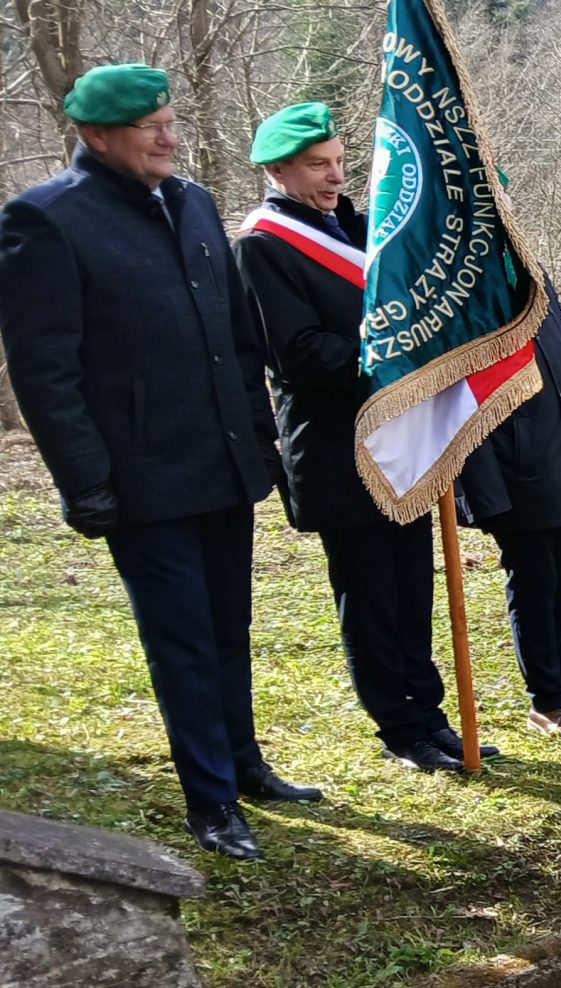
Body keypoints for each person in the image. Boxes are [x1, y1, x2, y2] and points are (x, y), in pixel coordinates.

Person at [0, 64, 322, 860]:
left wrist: (262, 443)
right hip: (142, 479)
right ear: (97, 135)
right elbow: (46, 375)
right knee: (182, 642)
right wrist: (87, 484)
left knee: (229, 628)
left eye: (171, 122)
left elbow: (238, 341)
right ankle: (211, 802)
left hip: (223, 465)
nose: (168, 138)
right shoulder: (45, 220)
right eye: (150, 128)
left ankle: (245, 766)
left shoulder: (194, 203)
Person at [235, 101, 481, 773]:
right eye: (318, 165)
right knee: (371, 596)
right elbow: (298, 353)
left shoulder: (367, 230)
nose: (335, 176)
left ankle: (431, 717)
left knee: (412, 588)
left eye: (341, 161)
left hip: (403, 435)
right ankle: (398, 727)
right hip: (336, 448)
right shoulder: (261, 245)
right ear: (279, 171)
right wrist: (397, 357)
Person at [452, 275, 561, 741]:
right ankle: (548, 701)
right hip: (514, 469)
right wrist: (482, 489)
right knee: (535, 585)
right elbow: (460, 397)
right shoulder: (464, 288)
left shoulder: (532, 278)